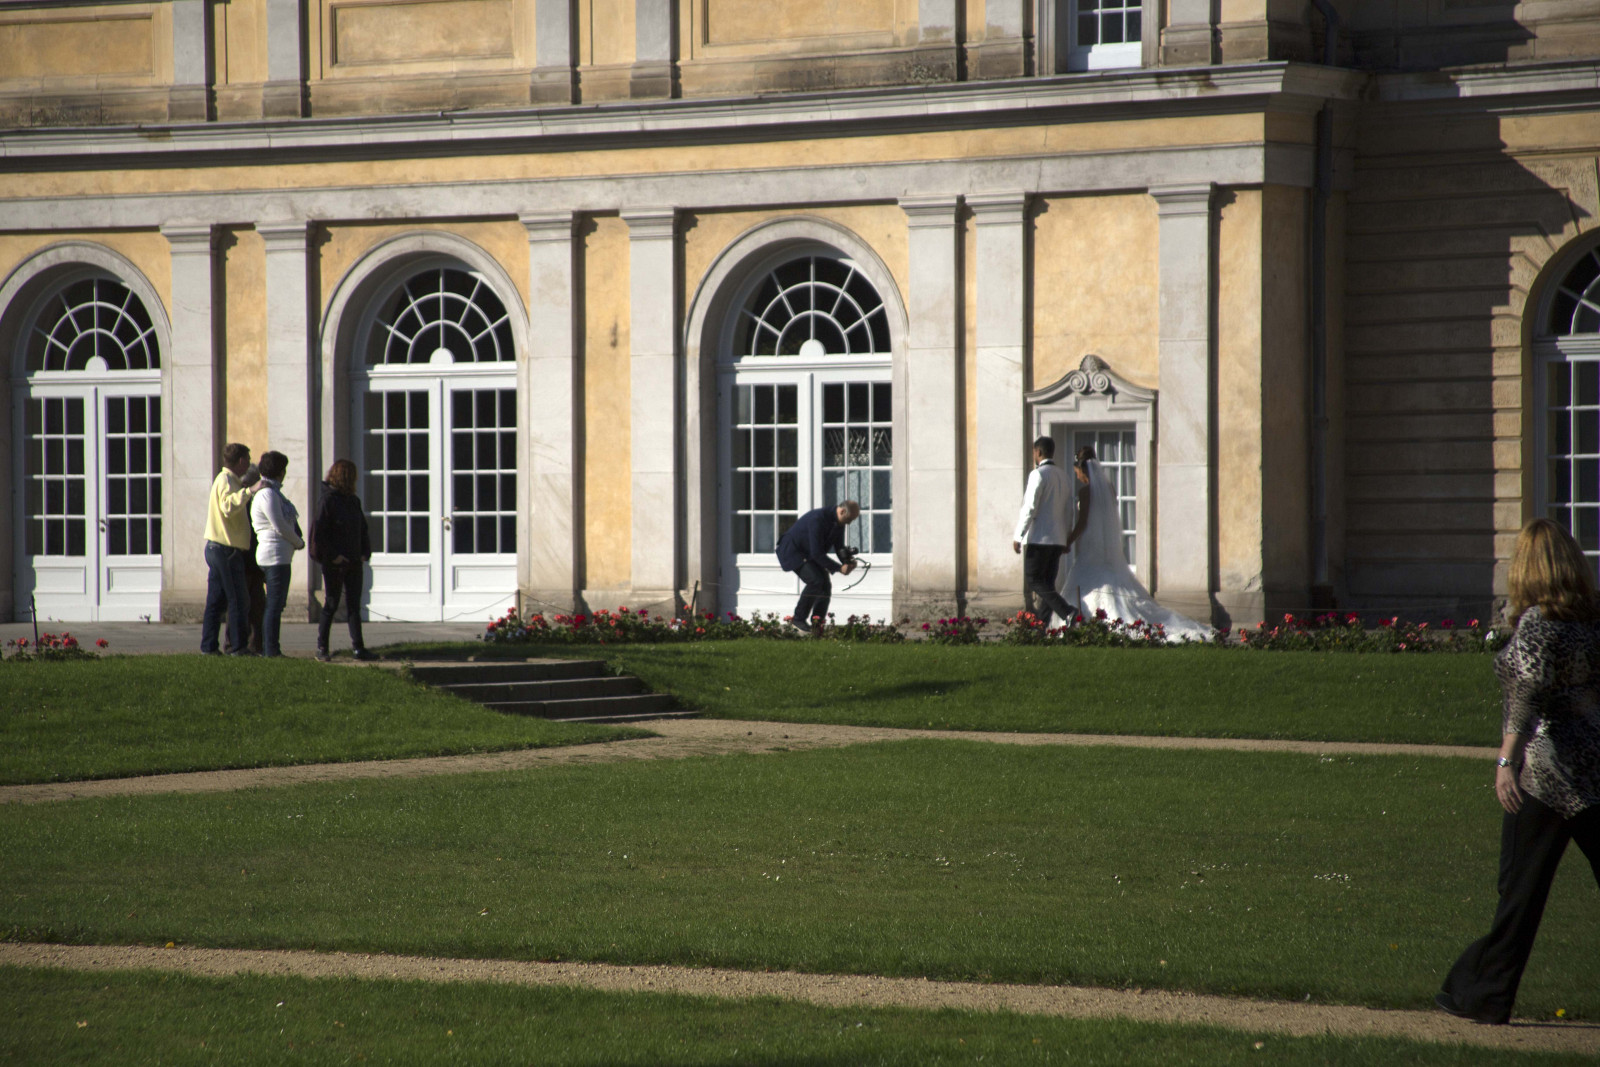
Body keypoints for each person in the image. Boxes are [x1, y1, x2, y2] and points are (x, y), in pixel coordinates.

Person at [1437, 518, 1600, 1025]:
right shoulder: (1591, 620)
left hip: (1546, 772)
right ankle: (1479, 989)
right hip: (1595, 766)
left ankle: (1485, 993)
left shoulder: (1536, 623)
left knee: (1520, 891)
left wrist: (1506, 760)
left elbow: (1528, 694)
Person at [1055, 445, 1212, 641]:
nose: (1077, 476)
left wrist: (1068, 541)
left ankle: (1086, 621)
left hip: (1090, 545)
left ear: (1082, 469)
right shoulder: (1109, 488)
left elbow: (1083, 522)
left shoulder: (1085, 492)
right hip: (1105, 546)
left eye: (1077, 472)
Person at [1013, 435, 1082, 628]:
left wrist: (1019, 534)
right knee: (1048, 585)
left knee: (1034, 580)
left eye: (1034, 452)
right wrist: (1066, 537)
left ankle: (1067, 611)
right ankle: (1041, 628)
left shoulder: (1038, 474)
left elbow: (1030, 507)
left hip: (1039, 539)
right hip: (1057, 539)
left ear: (1038, 452)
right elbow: (1069, 510)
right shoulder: (1064, 476)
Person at [311, 458, 376, 662]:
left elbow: (362, 529)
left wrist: (365, 552)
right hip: (335, 562)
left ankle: (358, 647)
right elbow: (320, 534)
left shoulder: (353, 501)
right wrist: (334, 556)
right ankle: (322, 647)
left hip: (354, 560)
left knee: (353, 605)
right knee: (331, 602)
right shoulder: (328, 500)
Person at [200, 443, 261, 656]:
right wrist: (250, 491)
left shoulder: (227, 480)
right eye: (248, 460)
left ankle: (209, 647)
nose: (249, 464)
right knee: (239, 600)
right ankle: (238, 646)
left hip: (218, 549)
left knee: (216, 601)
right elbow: (227, 506)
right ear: (241, 460)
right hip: (225, 550)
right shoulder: (226, 480)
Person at [250, 450, 305, 658]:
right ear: (280, 472)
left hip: (279, 555)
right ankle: (271, 650)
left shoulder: (273, 493)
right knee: (274, 605)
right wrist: (298, 542)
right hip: (274, 555)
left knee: (276, 604)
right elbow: (279, 525)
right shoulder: (267, 494)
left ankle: (270, 648)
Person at [775, 501, 860, 632]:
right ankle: (798, 620)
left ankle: (817, 625)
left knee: (825, 586)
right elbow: (817, 553)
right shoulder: (818, 519)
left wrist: (847, 561)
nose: (849, 523)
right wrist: (838, 568)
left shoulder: (839, 523)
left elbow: (839, 547)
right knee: (816, 580)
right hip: (793, 550)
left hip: (808, 552)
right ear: (842, 511)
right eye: (849, 519)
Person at [229, 462, 268, 656]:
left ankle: (255, 645)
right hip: (242, 559)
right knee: (239, 605)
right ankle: (234, 644)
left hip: (254, 561)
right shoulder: (240, 501)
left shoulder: (257, 502)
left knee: (257, 606)